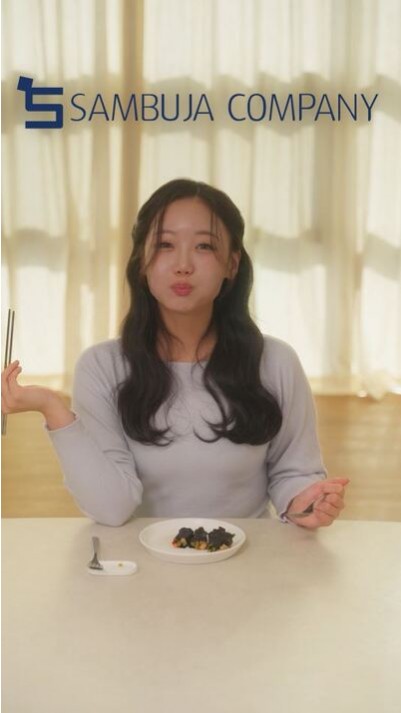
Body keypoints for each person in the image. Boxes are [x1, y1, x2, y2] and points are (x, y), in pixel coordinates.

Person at [1, 178, 349, 528]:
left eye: (204, 246)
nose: (183, 265)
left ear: (232, 264)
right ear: (142, 261)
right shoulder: (101, 367)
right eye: (165, 245)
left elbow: (294, 473)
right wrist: (52, 408)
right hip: (139, 556)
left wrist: (304, 502)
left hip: (248, 555)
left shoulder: (275, 362)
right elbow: (111, 508)